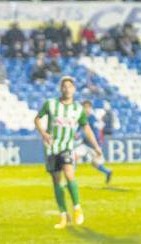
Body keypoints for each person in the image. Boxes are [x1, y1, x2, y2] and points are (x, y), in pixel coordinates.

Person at [34, 76, 100, 229]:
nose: (67, 89)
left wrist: (96, 146)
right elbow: (37, 119)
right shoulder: (50, 104)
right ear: (60, 89)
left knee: (69, 174)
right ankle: (63, 215)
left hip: (67, 147)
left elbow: (86, 128)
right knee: (57, 181)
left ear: (74, 89)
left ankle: (77, 208)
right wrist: (43, 133)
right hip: (51, 148)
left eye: (70, 86)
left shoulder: (78, 109)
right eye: (64, 86)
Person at [75, 100, 113, 183]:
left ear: (90, 108)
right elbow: (78, 129)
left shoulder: (92, 118)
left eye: (88, 107)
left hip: (93, 145)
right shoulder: (82, 117)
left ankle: (108, 172)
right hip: (85, 144)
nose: (86, 109)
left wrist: (97, 146)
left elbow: (95, 133)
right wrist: (76, 134)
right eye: (84, 107)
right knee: (75, 157)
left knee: (95, 163)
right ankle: (71, 178)